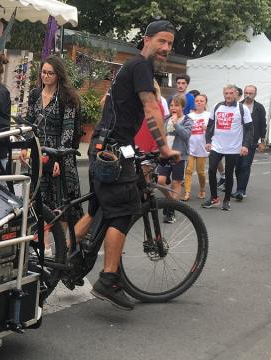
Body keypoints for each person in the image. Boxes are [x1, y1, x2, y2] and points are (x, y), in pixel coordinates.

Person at [73, 20, 180, 310]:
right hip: (114, 150)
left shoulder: (130, 68)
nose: (166, 48)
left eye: (170, 44)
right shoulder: (141, 67)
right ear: (146, 40)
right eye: (161, 41)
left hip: (107, 146)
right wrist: (165, 148)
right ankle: (109, 279)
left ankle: (65, 259)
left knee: (97, 208)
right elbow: (150, 109)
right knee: (123, 212)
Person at [25, 55, 83, 222]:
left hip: (60, 155)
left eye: (50, 73)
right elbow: (29, 124)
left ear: (58, 75)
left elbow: (68, 131)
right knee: (39, 204)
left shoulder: (68, 97)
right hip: (39, 154)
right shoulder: (34, 94)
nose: (46, 76)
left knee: (62, 208)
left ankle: (64, 246)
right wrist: (25, 147)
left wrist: (59, 158)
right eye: (43, 72)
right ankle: (46, 246)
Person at [202, 84, 253, 211]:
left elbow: (249, 129)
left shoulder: (242, 109)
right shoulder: (217, 106)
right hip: (217, 145)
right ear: (223, 94)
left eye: (231, 93)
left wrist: (245, 145)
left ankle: (226, 200)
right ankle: (214, 198)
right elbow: (210, 126)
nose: (228, 96)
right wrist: (208, 141)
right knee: (212, 170)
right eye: (226, 93)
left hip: (233, 148)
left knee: (229, 174)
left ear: (236, 94)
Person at [157, 95, 191, 223]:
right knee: (160, 181)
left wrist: (176, 123)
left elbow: (186, 135)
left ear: (182, 106)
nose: (174, 107)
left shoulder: (187, 120)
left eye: (177, 105)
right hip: (166, 155)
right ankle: (171, 203)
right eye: (171, 105)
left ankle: (171, 210)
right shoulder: (166, 119)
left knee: (176, 183)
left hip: (179, 156)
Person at [233, 85, 267, 200]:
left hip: (251, 141)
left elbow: (263, 125)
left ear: (255, 94)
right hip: (237, 141)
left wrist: (262, 141)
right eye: (246, 93)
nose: (248, 95)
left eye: (250, 93)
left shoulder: (259, 108)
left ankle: (241, 190)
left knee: (245, 165)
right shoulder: (238, 106)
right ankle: (239, 188)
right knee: (237, 167)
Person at [183, 94, 210, 201]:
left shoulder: (209, 115)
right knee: (188, 170)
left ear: (205, 103)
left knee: (201, 171)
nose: (199, 102)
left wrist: (207, 128)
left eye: (201, 101)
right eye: (197, 101)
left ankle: (202, 189)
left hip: (202, 147)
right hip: (190, 146)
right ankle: (187, 193)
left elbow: (214, 130)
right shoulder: (189, 116)